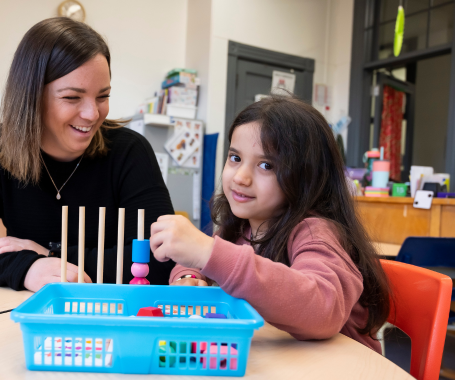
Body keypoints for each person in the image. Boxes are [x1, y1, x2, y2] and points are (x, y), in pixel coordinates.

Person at [0, 17, 175, 292]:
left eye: (102, 96)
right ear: (32, 96)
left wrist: (49, 256)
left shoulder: (130, 152)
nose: (92, 114)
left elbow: (158, 262)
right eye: (72, 98)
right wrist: (27, 269)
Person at [150, 95, 391, 354]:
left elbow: (323, 309)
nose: (241, 177)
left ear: (305, 176)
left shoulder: (314, 232)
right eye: (235, 158)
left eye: (266, 165)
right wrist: (190, 276)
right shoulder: (241, 226)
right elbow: (202, 261)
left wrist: (209, 252)